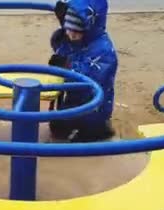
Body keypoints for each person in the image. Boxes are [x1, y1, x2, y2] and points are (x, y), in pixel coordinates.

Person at [47, 0, 118, 142]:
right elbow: (62, 45)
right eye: (68, 30)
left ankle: (102, 130)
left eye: (76, 31)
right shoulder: (74, 40)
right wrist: (62, 30)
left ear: (88, 27)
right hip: (74, 100)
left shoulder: (103, 50)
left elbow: (93, 78)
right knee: (57, 126)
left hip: (94, 109)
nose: (71, 35)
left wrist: (68, 67)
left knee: (86, 136)